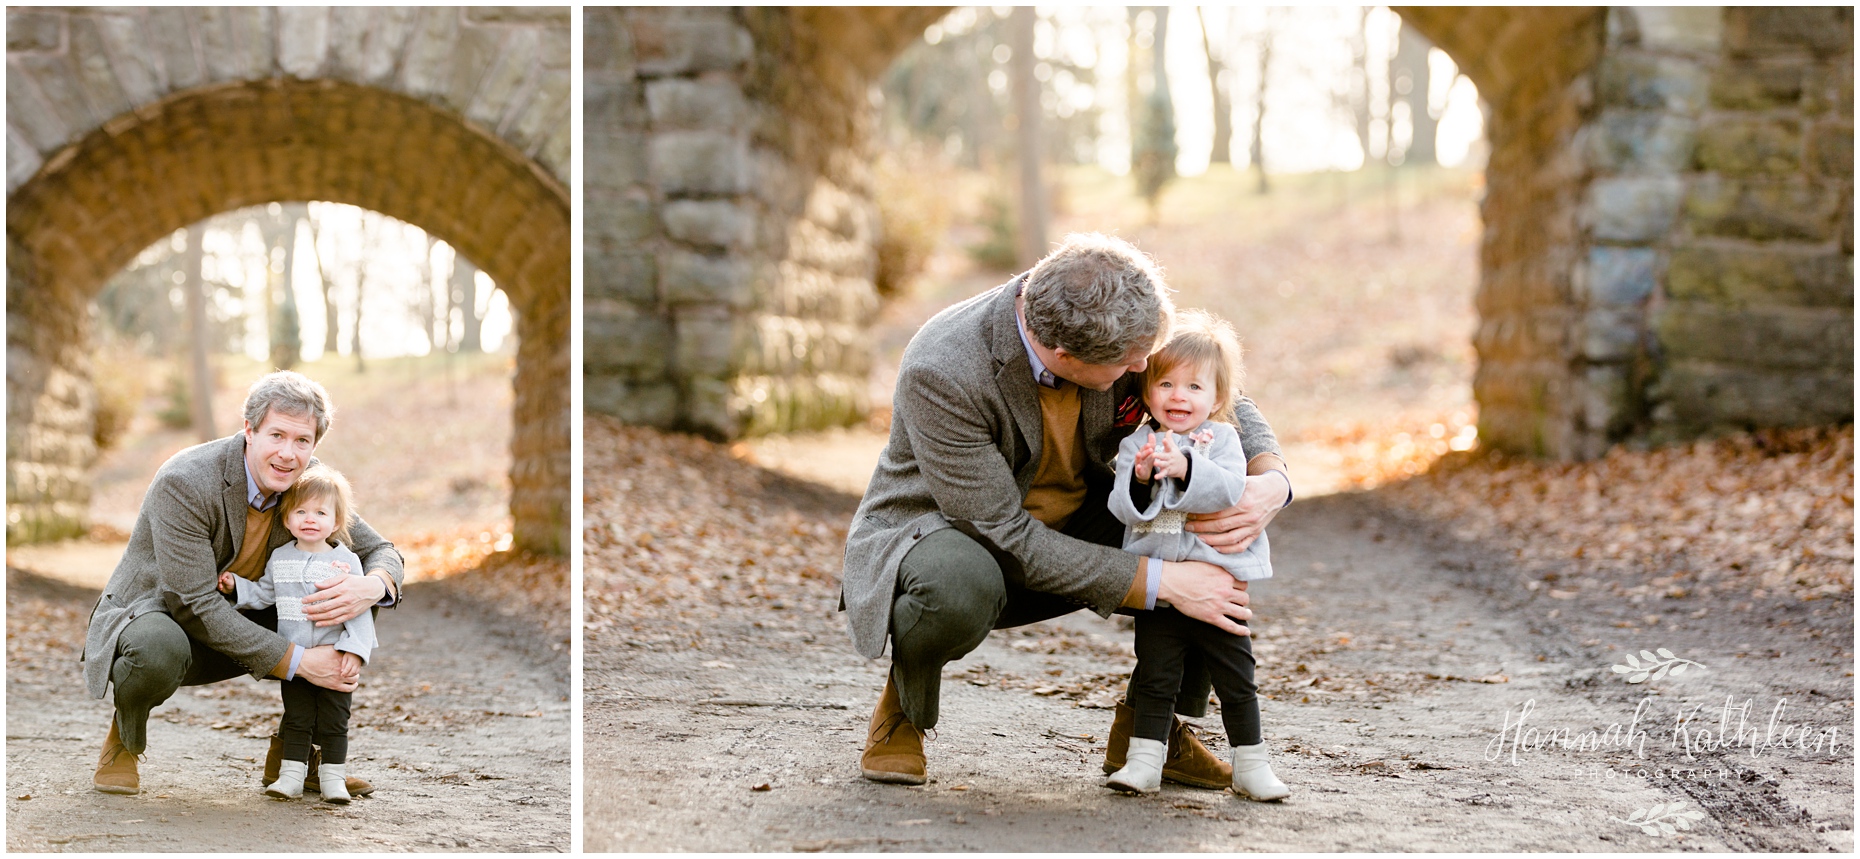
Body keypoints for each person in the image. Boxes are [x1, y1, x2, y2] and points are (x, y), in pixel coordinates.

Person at [840, 234, 1292, 788]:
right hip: (957, 529)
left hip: (1083, 509)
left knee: (1210, 542)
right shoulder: (944, 368)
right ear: (1064, 356)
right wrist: (1165, 582)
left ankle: (1147, 731)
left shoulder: (1121, 320)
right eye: (1132, 363)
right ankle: (904, 707)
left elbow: (1219, 393)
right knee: (956, 587)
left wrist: (1271, 476)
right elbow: (1003, 530)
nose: (1145, 367)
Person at [82, 371, 403, 796]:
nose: (288, 454)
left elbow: (382, 551)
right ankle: (124, 738)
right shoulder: (187, 480)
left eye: (302, 441)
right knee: (156, 651)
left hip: (245, 608)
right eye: (277, 435)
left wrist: (373, 586)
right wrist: (300, 661)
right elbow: (192, 602)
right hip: (163, 615)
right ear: (249, 430)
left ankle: (296, 753)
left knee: (346, 592)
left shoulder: (308, 485)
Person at [1103, 310, 1289, 800]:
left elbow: (1229, 492)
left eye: (1193, 387)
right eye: (1165, 384)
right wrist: (1141, 479)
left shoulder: (1225, 439)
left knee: (1235, 677)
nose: (1178, 396)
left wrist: (1186, 467)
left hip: (1218, 581)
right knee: (1156, 675)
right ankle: (1144, 761)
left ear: (1219, 398)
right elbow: (1124, 510)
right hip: (1164, 584)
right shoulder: (1136, 443)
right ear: (1146, 393)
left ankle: (1252, 763)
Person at [218, 464, 376, 803]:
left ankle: (333, 779)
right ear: (287, 520)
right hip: (297, 656)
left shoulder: (346, 561)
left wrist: (355, 651)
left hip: (334, 658)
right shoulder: (280, 557)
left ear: (335, 523)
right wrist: (237, 588)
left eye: (320, 512)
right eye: (300, 511)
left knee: (334, 720)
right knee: (297, 719)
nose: (309, 518)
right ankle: (290, 776)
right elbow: (264, 594)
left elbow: (358, 611)